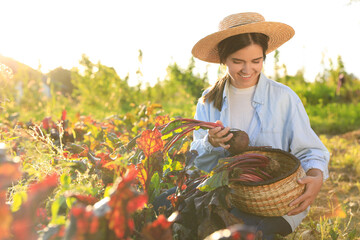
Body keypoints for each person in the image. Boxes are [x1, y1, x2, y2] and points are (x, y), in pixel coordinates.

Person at [190, 12, 330, 239]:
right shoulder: (208, 100)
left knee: (249, 233)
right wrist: (210, 142)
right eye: (237, 61)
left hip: (278, 204)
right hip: (229, 198)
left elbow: (310, 150)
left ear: (264, 57)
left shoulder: (284, 97)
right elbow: (197, 162)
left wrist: (316, 177)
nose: (247, 70)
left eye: (256, 61)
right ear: (223, 59)